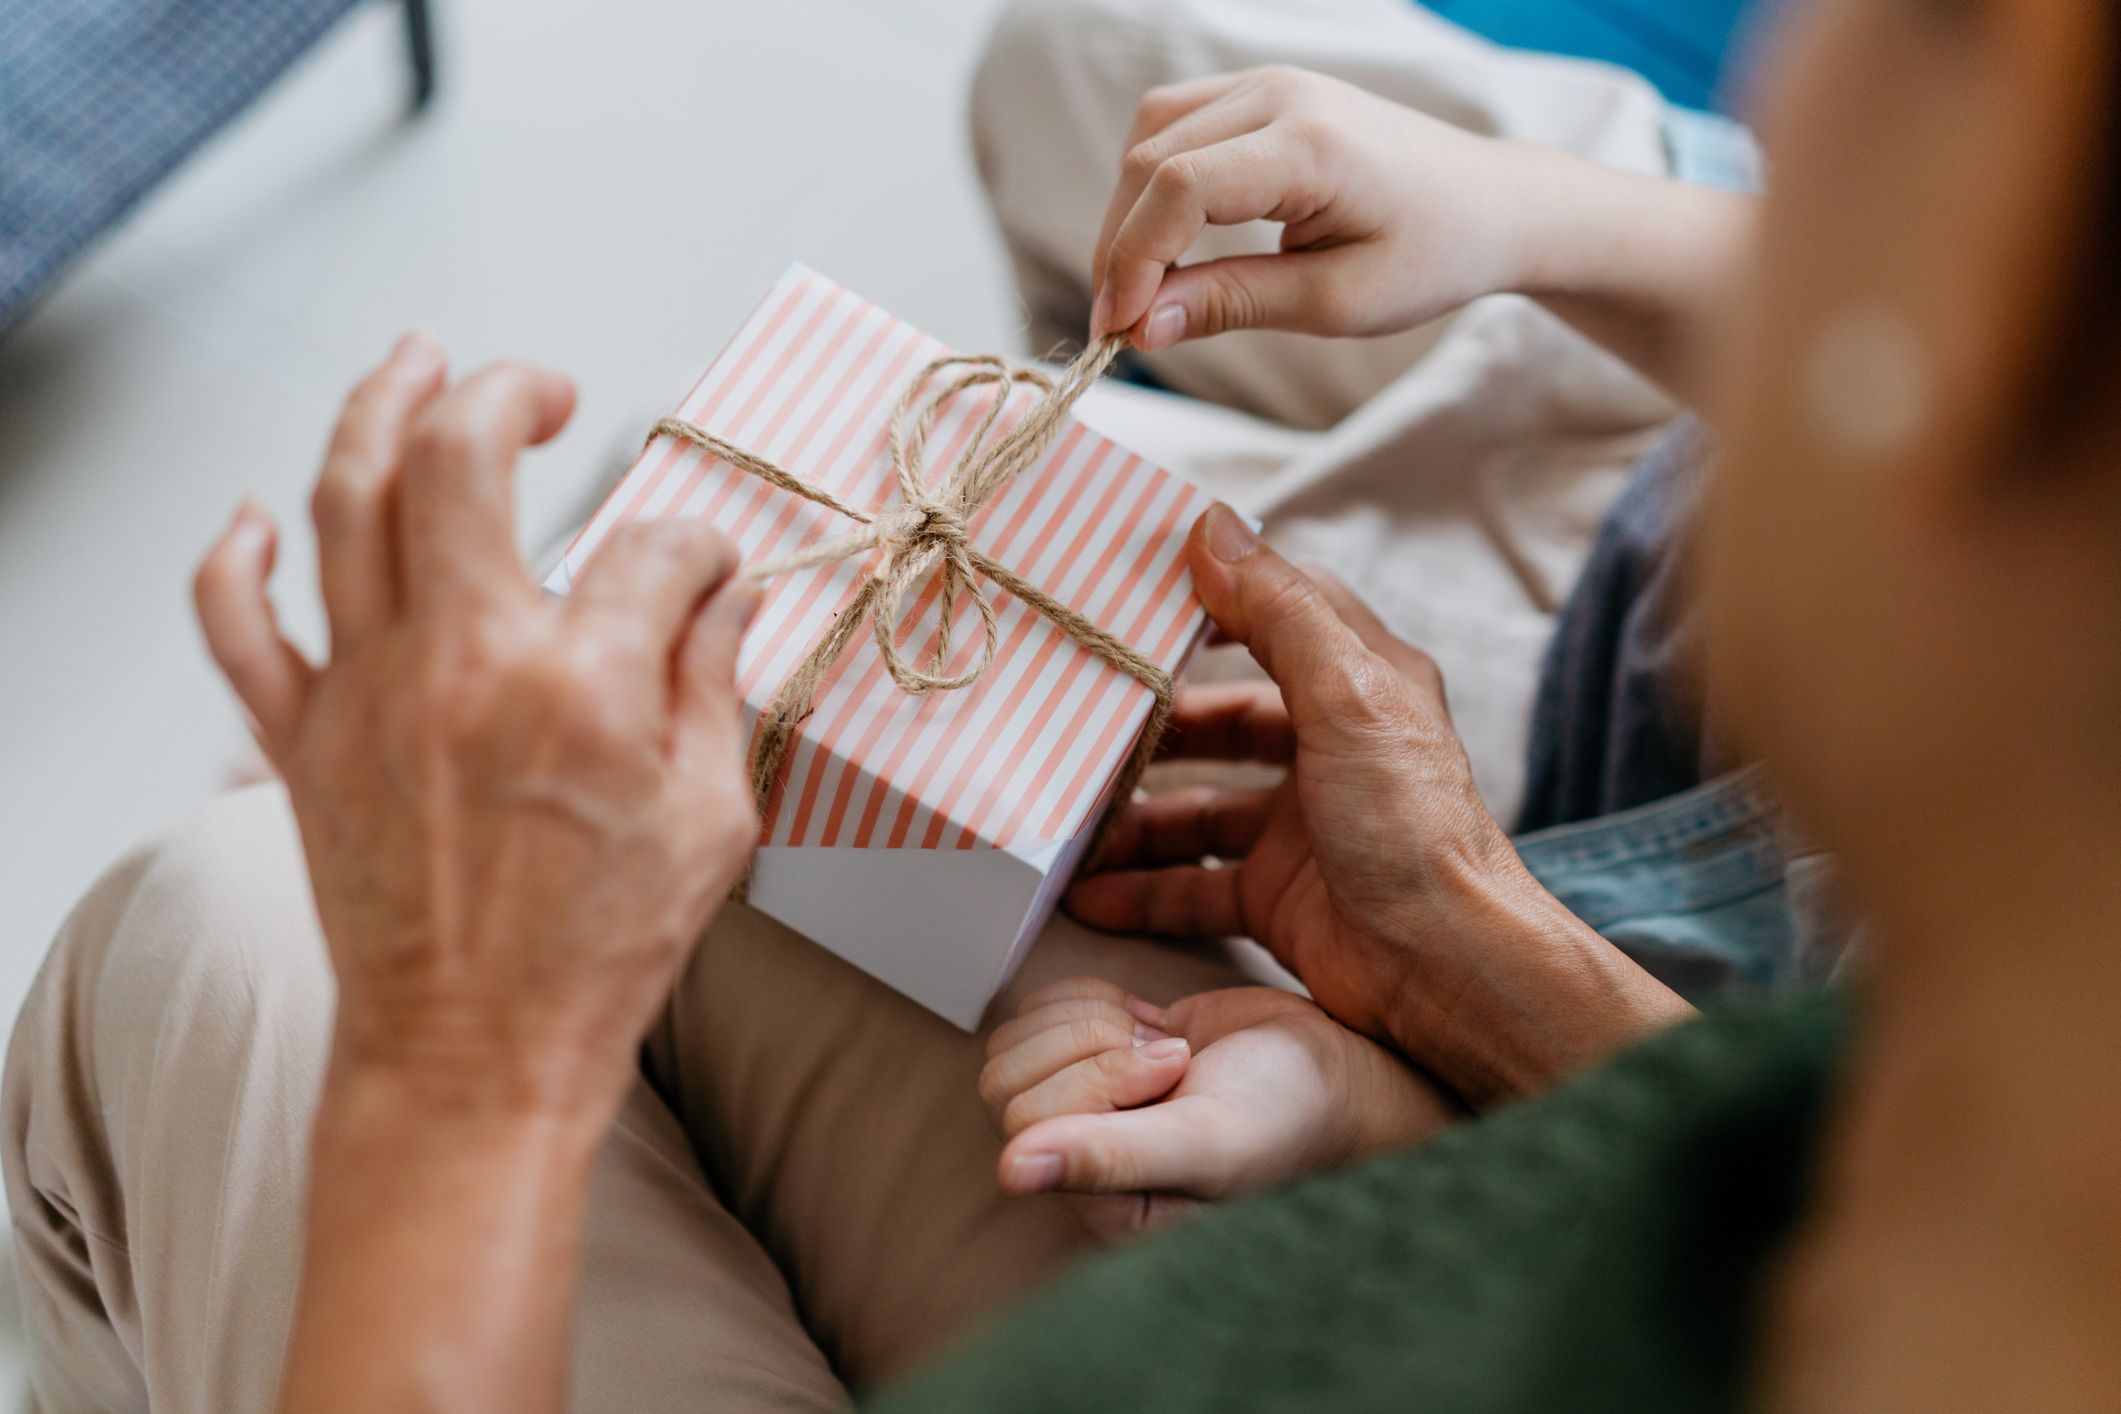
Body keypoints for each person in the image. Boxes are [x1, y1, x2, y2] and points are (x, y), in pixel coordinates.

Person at [11, 0, 2121, 1410]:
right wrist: (1448, 996)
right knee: (1086, 62)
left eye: (1921, 22)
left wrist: (457, 1072)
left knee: (224, 927)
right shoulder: (1971, 1146)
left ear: (1983, 335)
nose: (1793, 46)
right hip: (1600, 956)